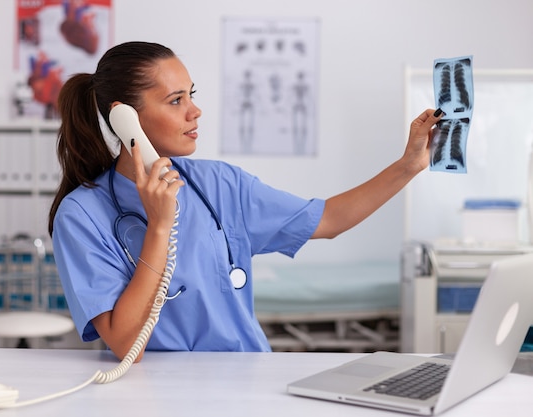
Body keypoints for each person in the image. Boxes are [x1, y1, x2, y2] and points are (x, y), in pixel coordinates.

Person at [49, 41, 444, 361]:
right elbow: (124, 343)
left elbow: (328, 219)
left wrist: (408, 165)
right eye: (175, 100)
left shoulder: (221, 183)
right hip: (157, 391)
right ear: (125, 119)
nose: (195, 111)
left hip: (248, 375)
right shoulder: (82, 215)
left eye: (192, 95)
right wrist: (159, 226)